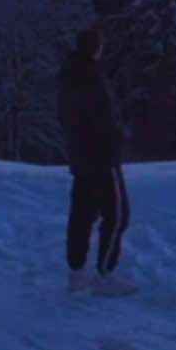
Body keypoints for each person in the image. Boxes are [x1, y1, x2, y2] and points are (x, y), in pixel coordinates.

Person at [56, 26, 131, 285]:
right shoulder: (92, 77)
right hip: (102, 157)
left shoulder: (68, 75)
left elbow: (66, 117)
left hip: (81, 157)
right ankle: (106, 275)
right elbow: (104, 117)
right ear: (95, 48)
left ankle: (76, 272)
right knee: (118, 215)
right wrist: (116, 141)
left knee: (82, 214)